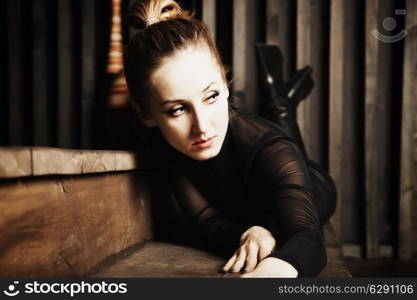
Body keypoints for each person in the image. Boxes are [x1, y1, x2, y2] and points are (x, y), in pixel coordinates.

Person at [123, 0, 336, 277]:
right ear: (146, 114)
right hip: (252, 193)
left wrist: (265, 276)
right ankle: (281, 102)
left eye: (211, 96)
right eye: (177, 109)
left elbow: (306, 238)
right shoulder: (162, 142)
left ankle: (281, 107)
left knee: (284, 146)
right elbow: (207, 222)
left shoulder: (272, 148)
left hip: (311, 181)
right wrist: (251, 232)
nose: (201, 126)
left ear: (225, 85)